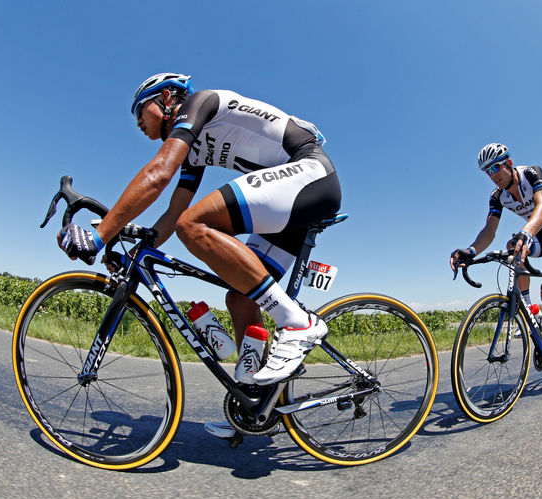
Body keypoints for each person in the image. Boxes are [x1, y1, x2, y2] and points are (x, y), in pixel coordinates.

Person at [58, 73, 342, 437]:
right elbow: (172, 214)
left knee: (195, 225)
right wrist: (132, 247)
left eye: (139, 112)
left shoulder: (200, 104)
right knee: (240, 295)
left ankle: (298, 323)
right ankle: (256, 401)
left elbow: (159, 175)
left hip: (311, 175)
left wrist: (100, 235)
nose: (138, 124)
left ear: (163, 98)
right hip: (292, 202)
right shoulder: (195, 151)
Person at [450, 143, 542, 377]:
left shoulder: (531, 173)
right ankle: (533, 312)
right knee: (512, 249)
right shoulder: (497, 197)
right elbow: (489, 230)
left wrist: (527, 232)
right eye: (487, 172)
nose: (493, 176)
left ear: (509, 163)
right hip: (537, 235)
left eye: (495, 169)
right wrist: (471, 250)